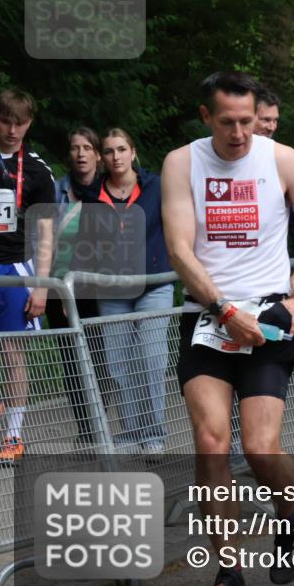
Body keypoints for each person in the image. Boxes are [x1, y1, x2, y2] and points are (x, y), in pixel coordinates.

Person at [161, 71, 294, 586]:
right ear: (206, 117)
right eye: (228, 122)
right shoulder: (182, 162)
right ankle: (228, 574)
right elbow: (178, 248)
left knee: (260, 447)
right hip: (209, 317)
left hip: (269, 318)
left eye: (247, 121)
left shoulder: (281, 158)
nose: (240, 133)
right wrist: (221, 308)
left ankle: (290, 511)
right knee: (211, 442)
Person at [74, 128, 173, 454]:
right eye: (109, 151)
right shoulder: (92, 195)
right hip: (111, 289)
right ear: (102, 157)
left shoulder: (156, 186)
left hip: (154, 285)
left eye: (121, 149)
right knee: (119, 365)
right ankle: (131, 433)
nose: (115, 157)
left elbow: (178, 224)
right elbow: (86, 244)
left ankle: (154, 435)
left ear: (133, 152)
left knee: (152, 360)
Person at [0, 89, 56, 466]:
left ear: (29, 124)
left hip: (16, 268)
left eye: (20, 123)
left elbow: (48, 233)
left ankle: (14, 434)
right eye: (5, 120)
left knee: (14, 354)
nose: (12, 129)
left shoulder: (36, 169)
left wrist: (42, 286)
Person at [44, 127, 115, 447]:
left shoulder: (109, 190)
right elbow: (43, 241)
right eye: (75, 148)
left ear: (98, 155)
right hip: (61, 285)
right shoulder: (56, 189)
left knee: (102, 360)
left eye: (88, 147)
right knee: (71, 359)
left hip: (100, 287)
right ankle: (86, 429)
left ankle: (99, 422)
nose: (81, 153)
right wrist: (52, 285)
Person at [253, 87, 294, 260]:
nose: (271, 127)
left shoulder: (283, 161)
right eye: (265, 120)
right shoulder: (218, 159)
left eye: (275, 121)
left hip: (269, 273)